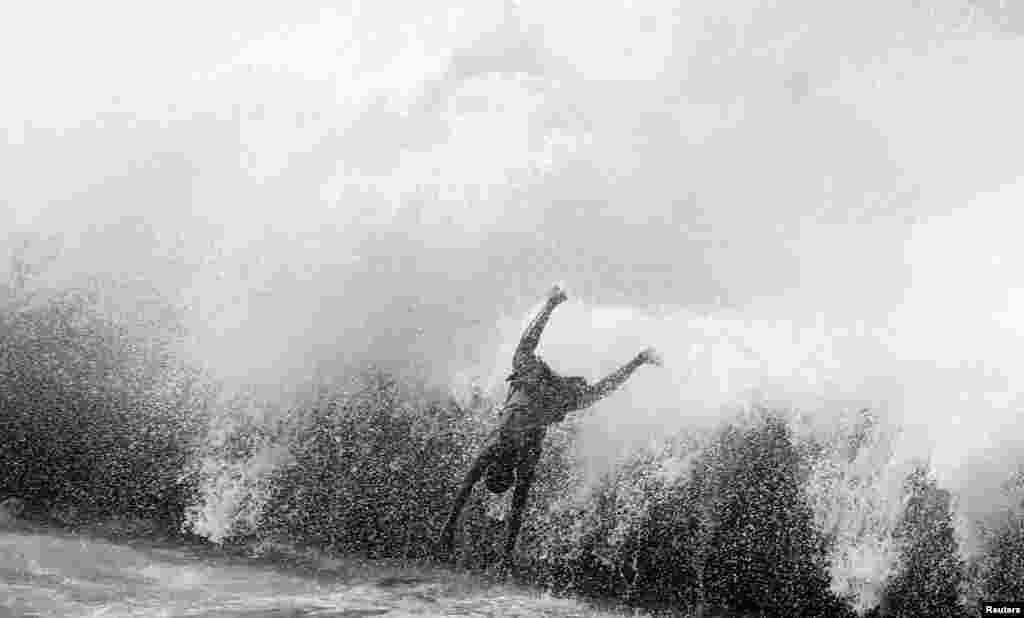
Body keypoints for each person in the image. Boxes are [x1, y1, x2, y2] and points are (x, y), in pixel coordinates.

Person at [438, 284, 663, 569]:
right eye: (499, 472)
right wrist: (451, 528)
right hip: (537, 388)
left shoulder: (519, 457)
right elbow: (471, 491)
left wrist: (491, 546)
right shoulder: (499, 448)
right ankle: (553, 302)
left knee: (592, 394)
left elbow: (508, 504)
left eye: (498, 471)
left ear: (501, 471)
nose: (499, 468)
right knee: (525, 353)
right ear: (498, 470)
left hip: (545, 396)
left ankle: (639, 359)